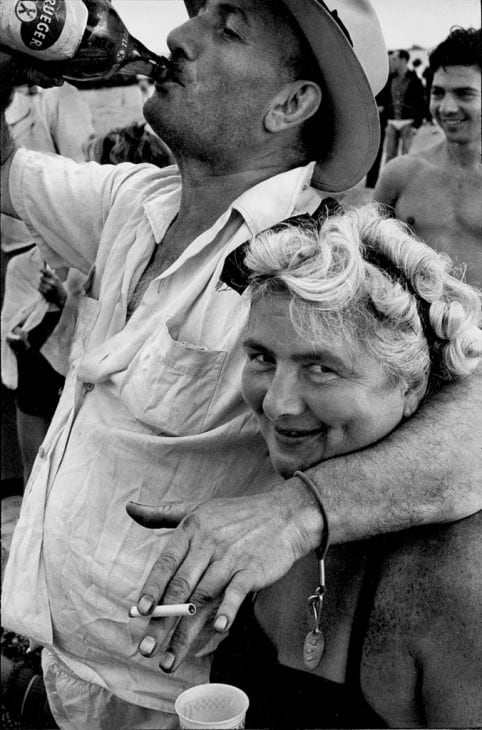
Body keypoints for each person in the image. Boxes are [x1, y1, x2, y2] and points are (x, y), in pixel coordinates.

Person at [0, 1, 480, 728]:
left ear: (291, 103)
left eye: (226, 29)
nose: (173, 36)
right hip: (58, 662)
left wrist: (296, 512)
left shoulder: (326, 257)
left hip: (176, 697)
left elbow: (473, 420)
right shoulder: (136, 198)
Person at [208, 204, 482, 728]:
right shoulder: (280, 479)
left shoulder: (456, 584)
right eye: (263, 357)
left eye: (321, 368)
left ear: (412, 385)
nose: (276, 404)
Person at [374, 27, 481, 286]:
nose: (447, 107)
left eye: (464, 93)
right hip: (413, 322)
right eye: (438, 93)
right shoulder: (399, 175)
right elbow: (369, 259)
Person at [383, 49, 427, 162]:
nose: (391, 61)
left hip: (408, 122)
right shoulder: (390, 78)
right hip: (392, 122)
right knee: (389, 156)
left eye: (394, 59)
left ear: (403, 60)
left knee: (407, 156)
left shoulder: (414, 79)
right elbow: (386, 98)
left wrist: (416, 124)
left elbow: (421, 102)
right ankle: (390, 179)